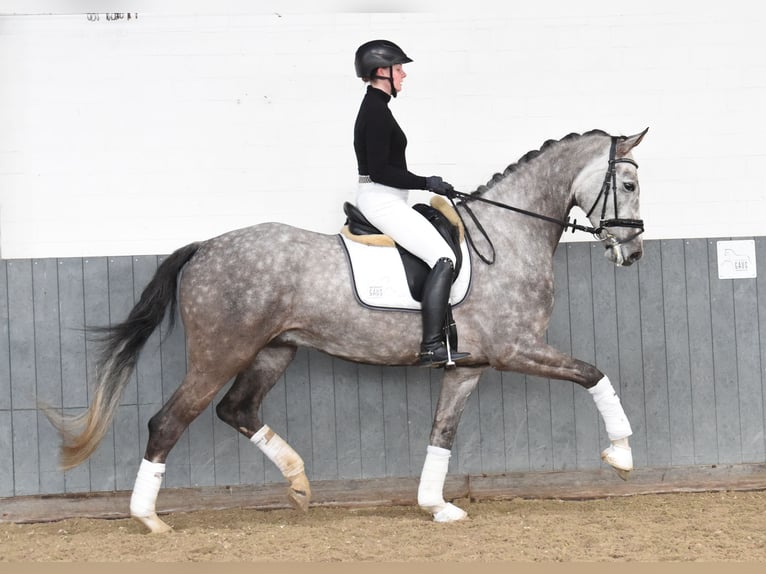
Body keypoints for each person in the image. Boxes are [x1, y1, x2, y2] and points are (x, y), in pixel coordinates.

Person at [353, 39, 471, 368]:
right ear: (381, 72)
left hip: (387, 197)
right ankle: (432, 345)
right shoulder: (375, 112)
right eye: (399, 68)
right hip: (380, 199)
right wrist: (425, 183)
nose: (403, 74)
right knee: (444, 257)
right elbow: (379, 170)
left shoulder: (378, 107)